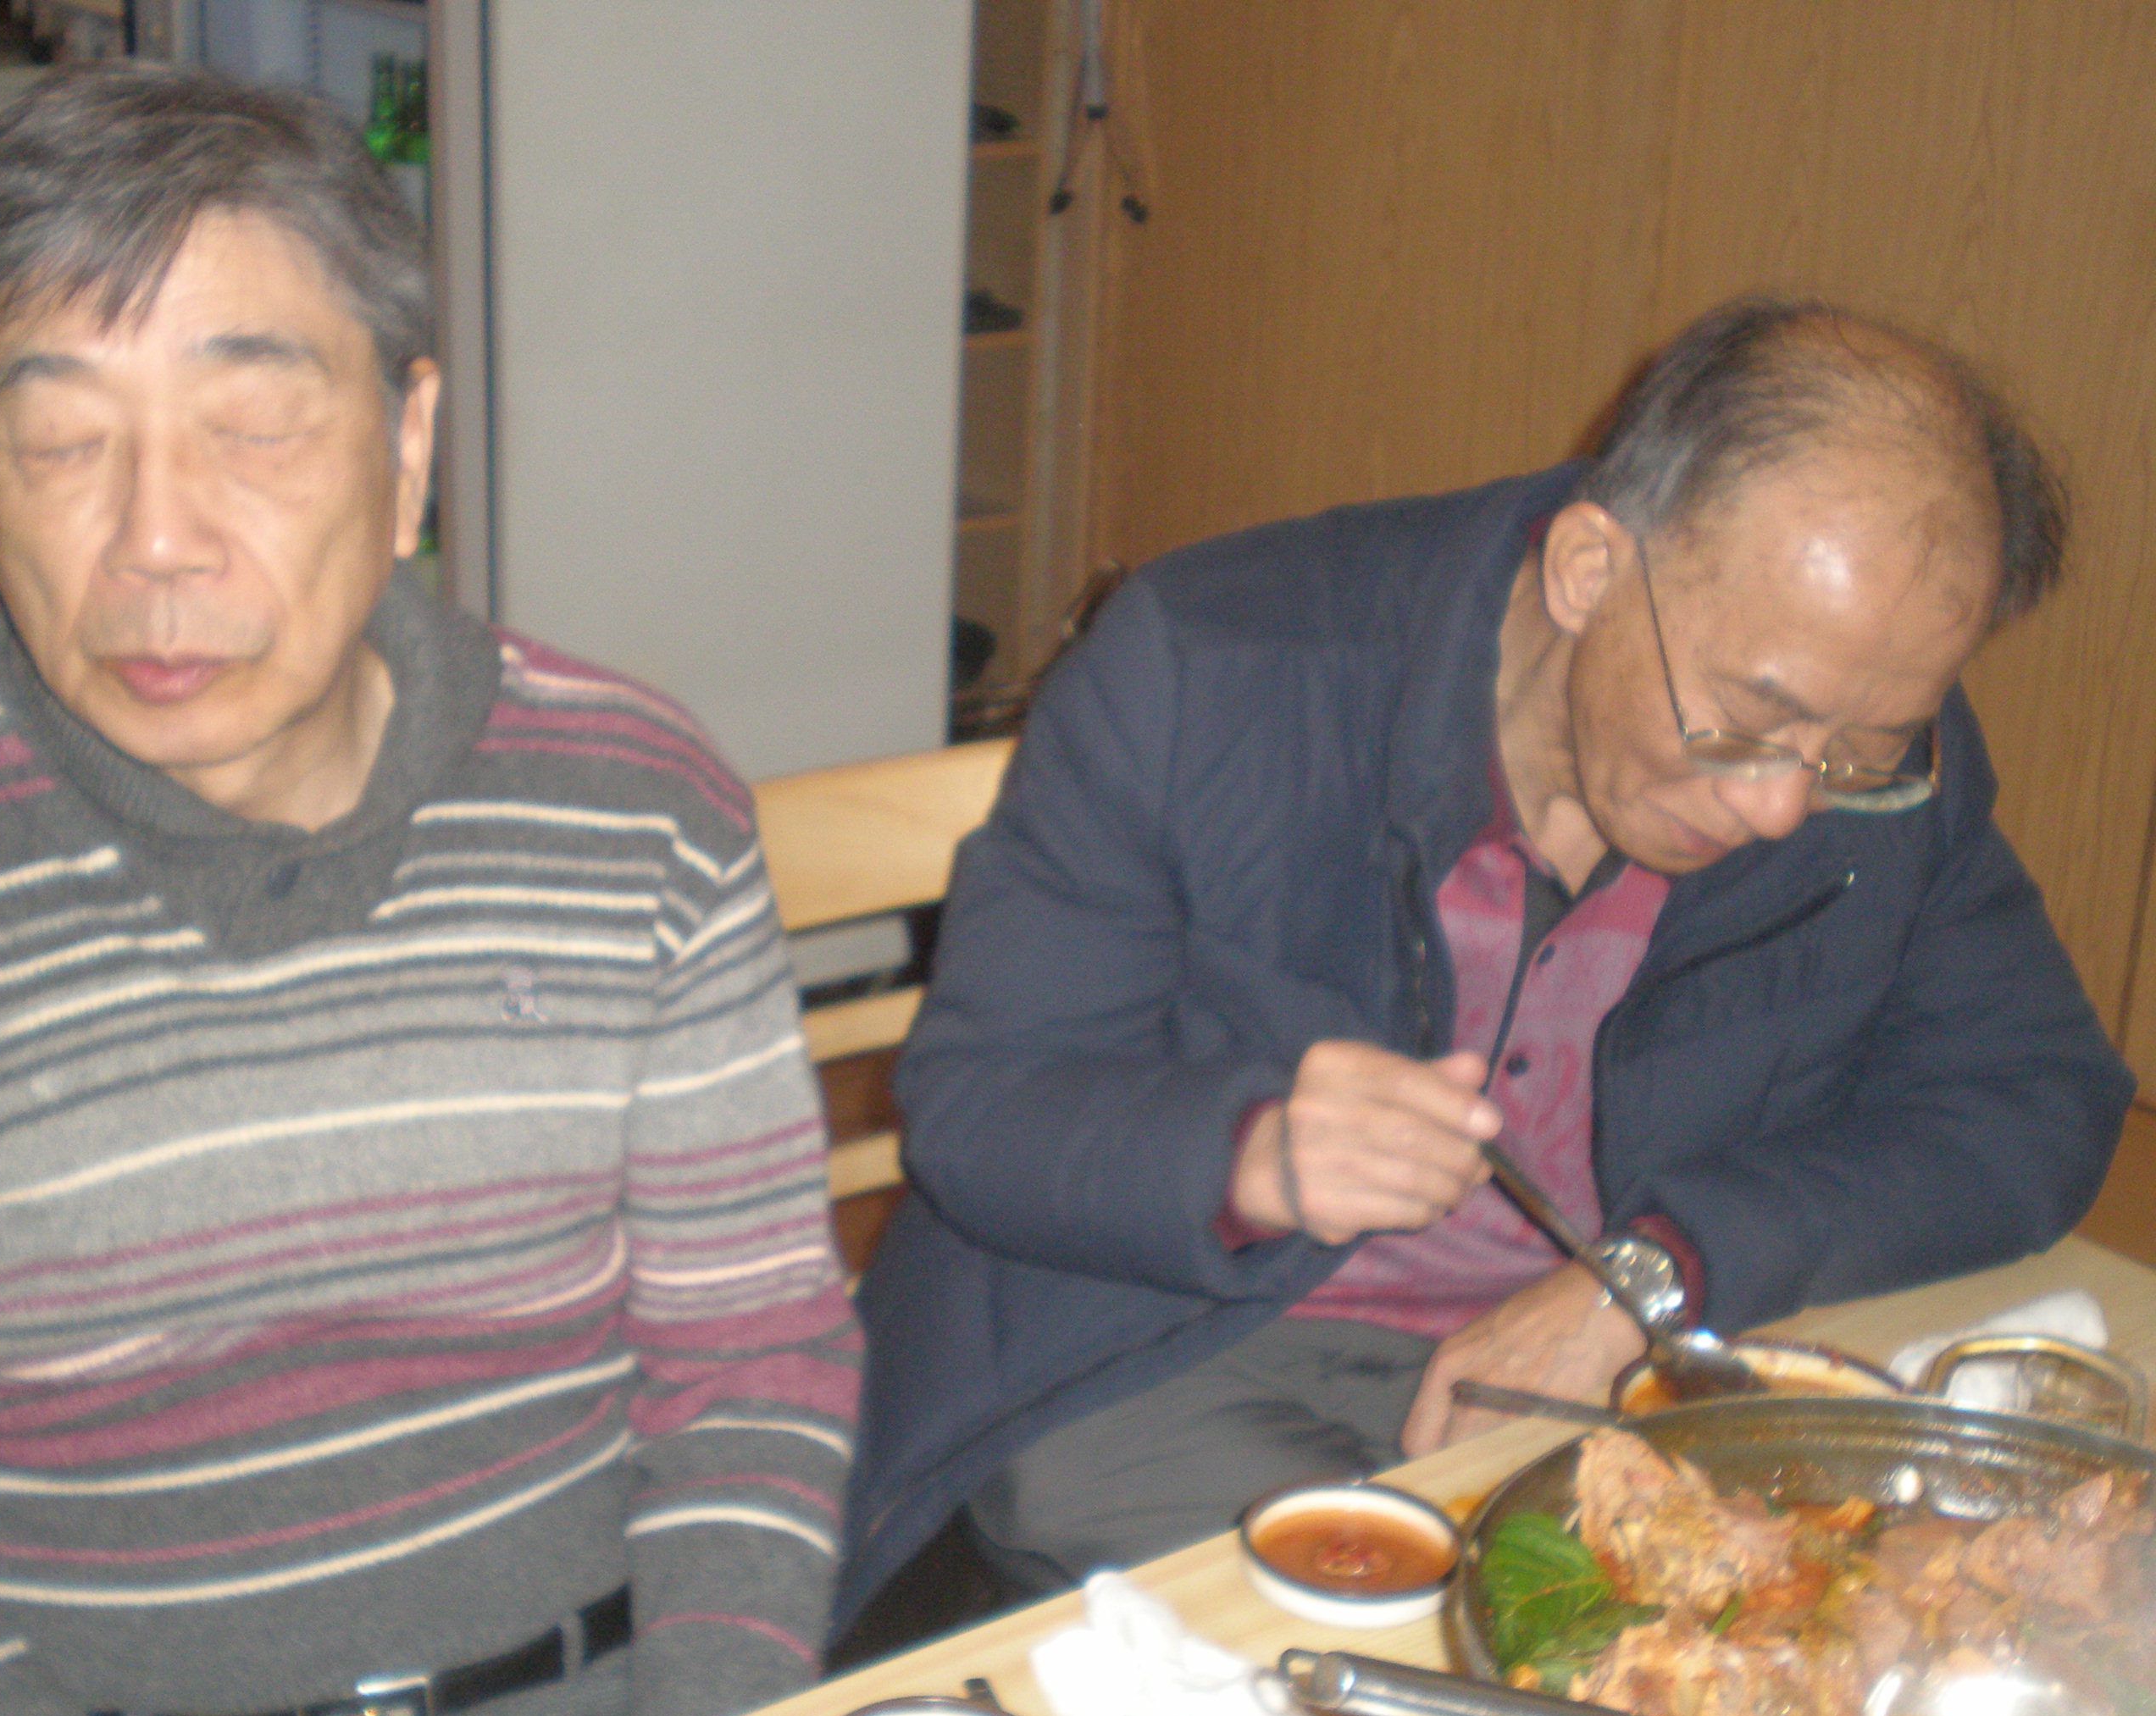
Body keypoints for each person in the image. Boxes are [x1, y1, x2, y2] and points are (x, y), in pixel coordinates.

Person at [0, 65, 858, 1716]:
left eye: (254, 426)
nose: (158, 538)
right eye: (62, 442)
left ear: (408, 442)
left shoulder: (639, 804)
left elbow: (753, 1366)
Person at [836, 298, 2132, 1618]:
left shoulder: (1874, 758)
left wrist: (1657, 1269)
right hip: (1175, 1350)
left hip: (1592, 1368)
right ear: (1587, 568)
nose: (1783, 806)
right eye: (1751, 717)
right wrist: (1251, 1153)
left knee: (1879, 1616)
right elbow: (982, 1101)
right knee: (1542, 1633)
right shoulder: (1211, 663)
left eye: (1861, 749)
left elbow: (2033, 1100)